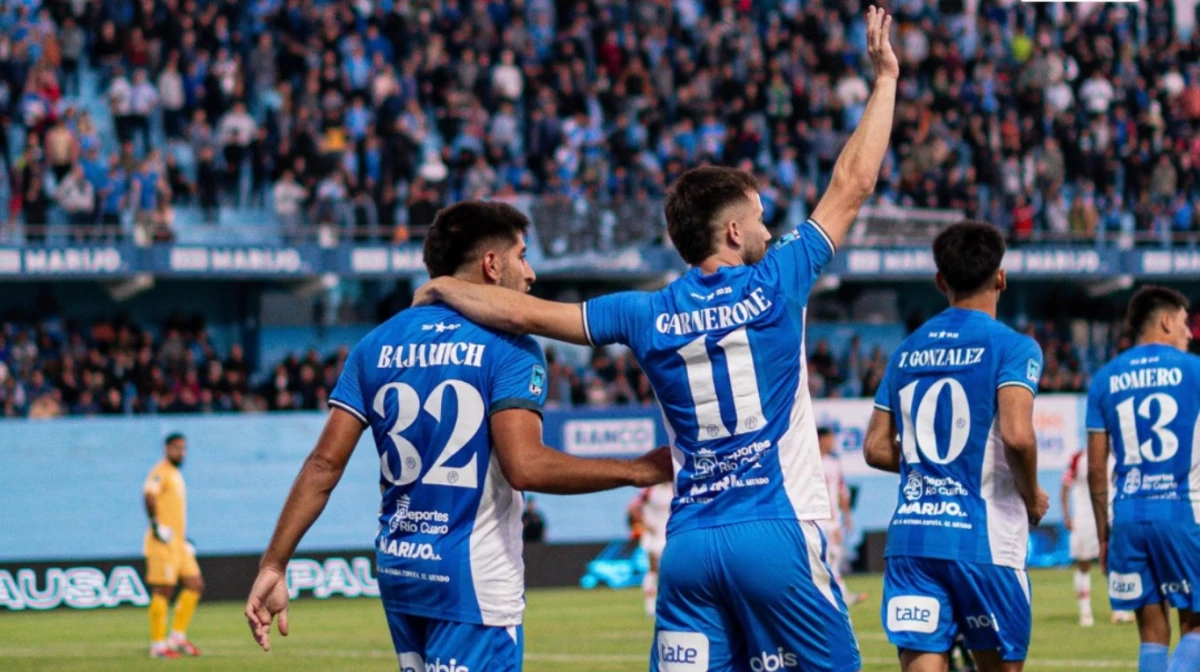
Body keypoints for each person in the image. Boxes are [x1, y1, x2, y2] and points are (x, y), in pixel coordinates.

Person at [414, 9, 898, 669]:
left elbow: (529, 315)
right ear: (732, 234)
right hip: (777, 530)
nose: (766, 228)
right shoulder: (780, 277)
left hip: (691, 544)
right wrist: (885, 79)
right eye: (758, 218)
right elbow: (854, 183)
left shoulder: (643, 312)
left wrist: (443, 285)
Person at [243, 201, 672, 668]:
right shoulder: (510, 347)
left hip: (401, 567)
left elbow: (323, 465)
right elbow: (525, 466)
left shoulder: (375, 344)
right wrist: (639, 469)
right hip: (472, 580)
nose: (530, 274)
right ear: (491, 265)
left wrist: (273, 564)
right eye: (522, 256)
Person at [863, 221, 1050, 672]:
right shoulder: (1013, 346)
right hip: (983, 543)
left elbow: (874, 447)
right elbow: (1018, 436)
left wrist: (931, 470)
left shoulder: (906, 350)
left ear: (940, 281)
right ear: (1001, 278)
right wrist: (1032, 495)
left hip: (913, 540)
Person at [1085, 286, 1200, 672]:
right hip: (1184, 513)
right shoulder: (1195, 371)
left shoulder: (1104, 379)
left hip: (1129, 518)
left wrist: (1104, 533)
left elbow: (1096, 468)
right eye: (1186, 324)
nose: (1190, 333)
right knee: (1196, 627)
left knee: (1152, 633)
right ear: (1166, 321)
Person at [143, 433, 204, 659]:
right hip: (163, 543)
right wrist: (156, 525)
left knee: (195, 584)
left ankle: (177, 637)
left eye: (184, 448)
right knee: (163, 590)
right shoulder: (161, 471)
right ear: (167, 448)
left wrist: (184, 538)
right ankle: (158, 645)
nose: (182, 452)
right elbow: (149, 496)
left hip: (178, 543)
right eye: (177, 448)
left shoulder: (176, 474)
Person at [1060, 448, 1136, 627]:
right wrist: (1066, 515)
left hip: (1110, 517)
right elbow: (1065, 487)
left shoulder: (1116, 458)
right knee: (1084, 564)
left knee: (1114, 562)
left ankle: (1119, 610)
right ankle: (1085, 613)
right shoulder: (1079, 458)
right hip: (1084, 519)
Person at [818, 426, 868, 607]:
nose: (832, 442)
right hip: (816, 518)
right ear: (821, 439)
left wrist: (846, 516)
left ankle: (840, 593)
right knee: (823, 557)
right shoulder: (810, 461)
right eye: (829, 439)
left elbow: (841, 491)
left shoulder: (834, 463)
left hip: (832, 519)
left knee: (834, 557)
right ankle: (834, 594)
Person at [629, 482, 674, 617]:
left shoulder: (675, 487)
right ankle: (650, 605)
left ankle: (670, 604)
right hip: (654, 537)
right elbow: (633, 508)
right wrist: (644, 524)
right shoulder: (650, 490)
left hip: (670, 534)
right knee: (654, 569)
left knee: (671, 570)